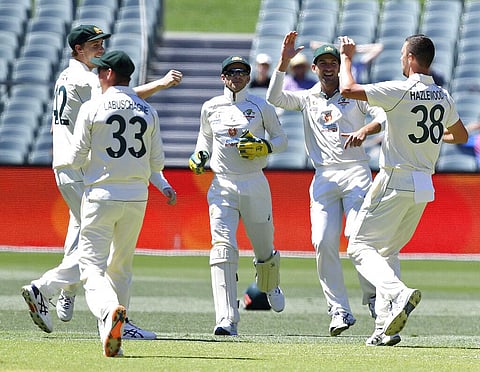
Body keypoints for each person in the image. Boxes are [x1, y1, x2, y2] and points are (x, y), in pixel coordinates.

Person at [21, 24, 180, 339]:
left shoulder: (66, 76)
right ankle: (52, 290)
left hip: (67, 164)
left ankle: (65, 291)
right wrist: (160, 84)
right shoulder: (84, 78)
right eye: (95, 44)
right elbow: (119, 99)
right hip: (81, 169)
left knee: (82, 233)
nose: (101, 49)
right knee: (100, 248)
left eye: (103, 43)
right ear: (78, 49)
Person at [338, 34, 468, 346]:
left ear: (410, 59)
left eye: (401, 55)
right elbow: (460, 136)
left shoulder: (399, 90)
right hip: (424, 185)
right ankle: (384, 329)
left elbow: (347, 90)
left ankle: (400, 293)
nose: (400, 60)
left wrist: (346, 57)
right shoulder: (443, 95)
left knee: (359, 247)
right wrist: (432, 142)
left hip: (396, 178)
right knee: (386, 251)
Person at [267, 31, 387, 337]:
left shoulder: (355, 93)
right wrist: (283, 62)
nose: (329, 67)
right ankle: (339, 310)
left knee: (358, 237)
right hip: (323, 177)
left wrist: (366, 131)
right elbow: (275, 98)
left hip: (357, 171)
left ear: (338, 66)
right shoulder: (308, 98)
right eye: (323, 63)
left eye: (334, 62)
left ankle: (373, 297)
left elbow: (381, 117)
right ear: (315, 69)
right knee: (322, 241)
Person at [64, 50, 166, 357]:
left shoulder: (93, 106)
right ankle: (114, 340)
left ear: (109, 74)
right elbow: (157, 163)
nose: (97, 76)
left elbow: (77, 157)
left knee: (91, 268)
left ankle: (109, 311)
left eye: (100, 72)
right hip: (136, 197)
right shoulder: (148, 110)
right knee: (121, 267)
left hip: (100, 196)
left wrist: (71, 162)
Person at [189, 55, 288, 336]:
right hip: (222, 184)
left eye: (242, 72)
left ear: (248, 76)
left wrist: (264, 146)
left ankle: (270, 283)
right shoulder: (210, 107)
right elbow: (203, 140)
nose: (237, 76)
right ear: (223, 77)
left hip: (254, 182)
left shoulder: (260, 105)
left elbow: (282, 139)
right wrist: (199, 155)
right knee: (222, 248)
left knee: (263, 248)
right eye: (231, 72)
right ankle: (226, 318)